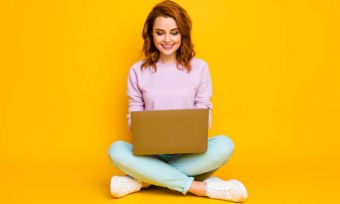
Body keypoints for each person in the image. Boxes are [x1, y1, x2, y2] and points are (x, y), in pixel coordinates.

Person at [107, 0, 248, 202]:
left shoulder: (200, 68)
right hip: (150, 155)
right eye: (160, 32)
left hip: (190, 154)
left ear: (183, 33)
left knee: (225, 145)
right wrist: (145, 127)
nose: (167, 39)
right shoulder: (137, 71)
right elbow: (133, 120)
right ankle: (199, 188)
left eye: (174, 32)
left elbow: (204, 118)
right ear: (150, 34)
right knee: (116, 150)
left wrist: (190, 126)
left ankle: (144, 180)